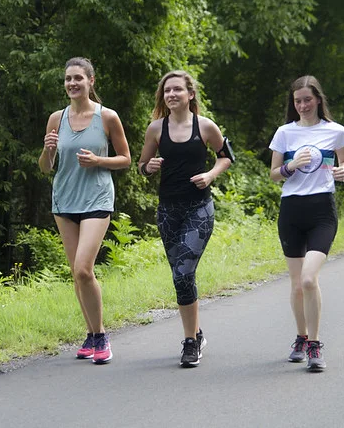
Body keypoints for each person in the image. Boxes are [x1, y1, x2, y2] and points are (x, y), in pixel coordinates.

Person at [137, 71, 233, 368]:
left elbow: (226, 156)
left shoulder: (205, 126)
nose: (172, 95)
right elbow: (141, 166)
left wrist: (210, 175)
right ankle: (197, 333)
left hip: (199, 209)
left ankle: (190, 342)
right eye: (167, 91)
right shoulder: (156, 128)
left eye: (177, 89)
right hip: (168, 211)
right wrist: (149, 167)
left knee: (182, 273)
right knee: (181, 277)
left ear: (190, 94)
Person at [39, 57, 131, 365]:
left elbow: (126, 159)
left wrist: (98, 161)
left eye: (78, 78)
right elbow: (46, 167)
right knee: (76, 274)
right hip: (64, 201)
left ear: (91, 81)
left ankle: (101, 335)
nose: (72, 83)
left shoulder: (107, 117)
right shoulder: (56, 118)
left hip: (96, 199)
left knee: (83, 269)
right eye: (68, 79)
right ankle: (91, 335)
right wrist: (48, 150)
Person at [268, 75, 344, 372]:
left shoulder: (335, 131)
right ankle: (301, 338)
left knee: (308, 279)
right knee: (296, 284)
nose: (302, 105)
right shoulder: (285, 133)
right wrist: (291, 166)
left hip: (321, 211)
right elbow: (274, 174)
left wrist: (343, 171)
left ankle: (315, 344)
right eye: (297, 101)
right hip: (292, 211)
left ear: (317, 99)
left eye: (307, 100)